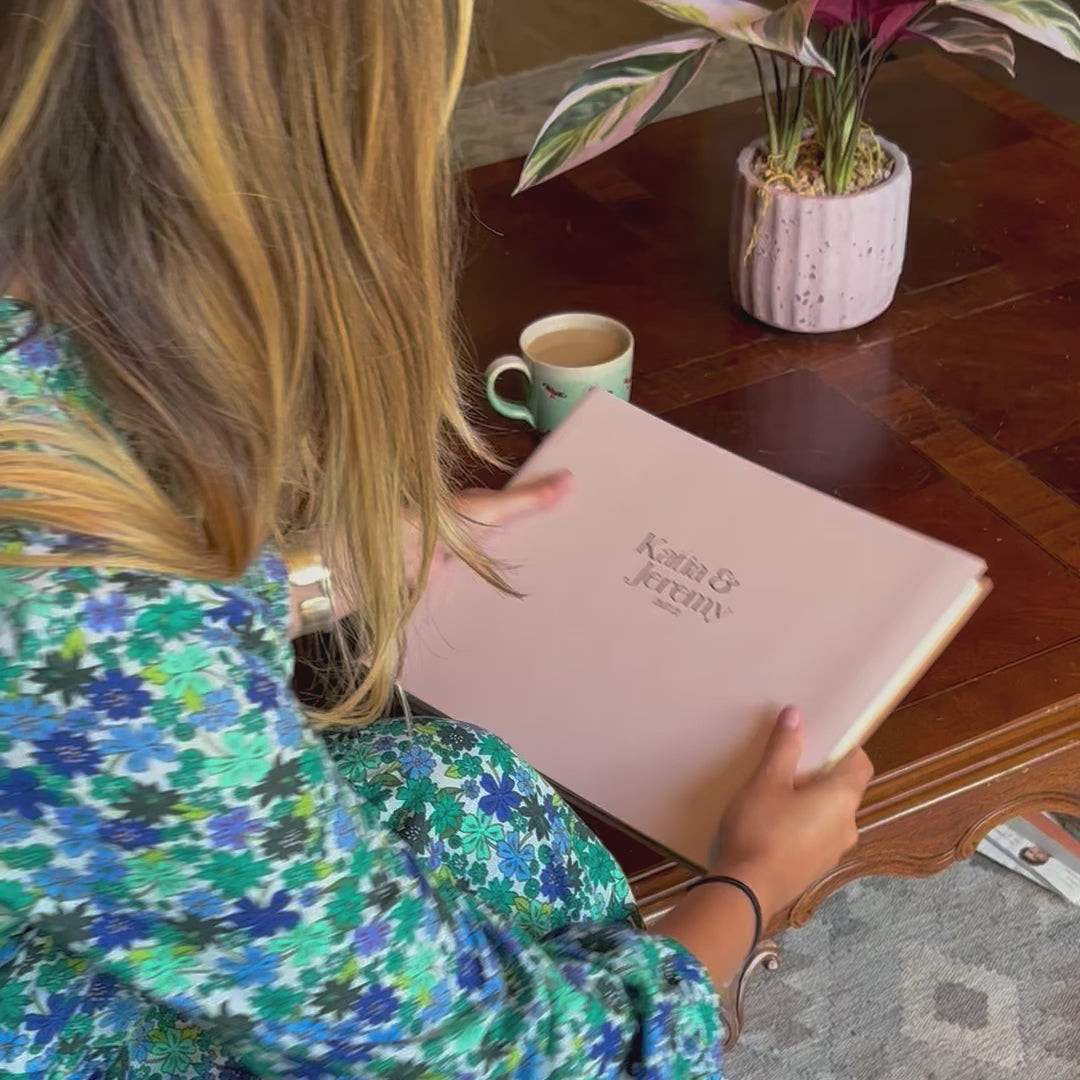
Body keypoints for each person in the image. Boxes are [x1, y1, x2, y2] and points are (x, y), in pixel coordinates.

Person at [0, 2, 873, 1077]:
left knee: (455, 784)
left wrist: (307, 578)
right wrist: (747, 890)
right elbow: (476, 1057)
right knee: (513, 894)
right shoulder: (107, 622)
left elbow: (57, 670)